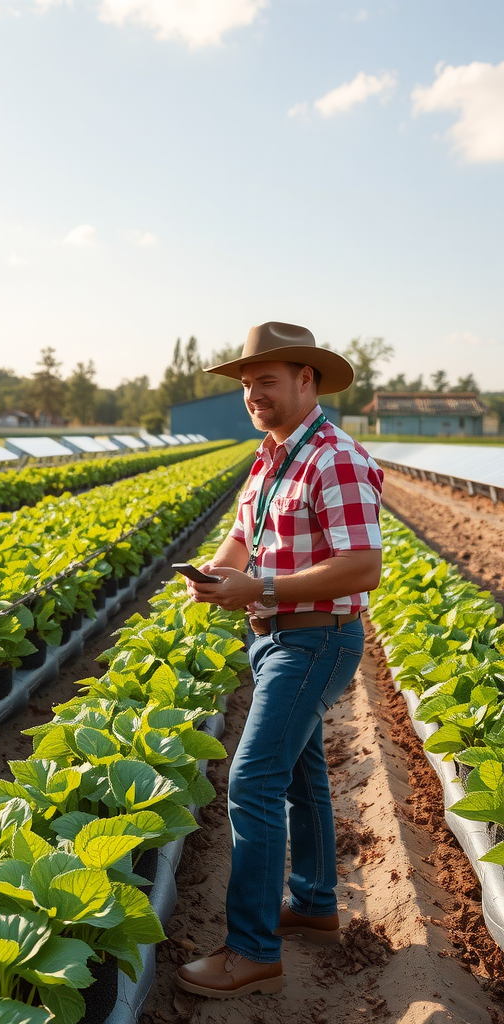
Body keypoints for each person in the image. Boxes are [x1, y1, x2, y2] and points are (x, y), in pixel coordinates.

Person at [174, 321, 384, 999]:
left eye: (266, 380)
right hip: (273, 637)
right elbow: (244, 535)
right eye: (245, 384)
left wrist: (258, 588)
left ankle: (253, 950)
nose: (253, 394)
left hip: (314, 639)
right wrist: (217, 575)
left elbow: (363, 564)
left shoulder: (334, 457)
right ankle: (316, 904)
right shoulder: (273, 456)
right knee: (298, 776)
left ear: (305, 380)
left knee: (251, 781)